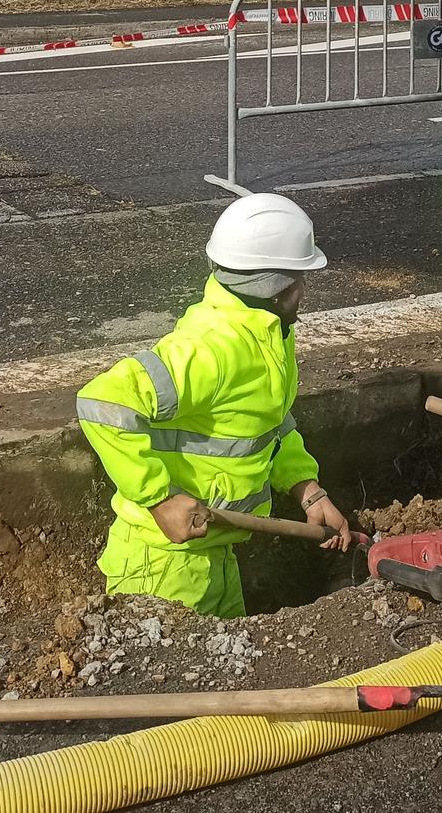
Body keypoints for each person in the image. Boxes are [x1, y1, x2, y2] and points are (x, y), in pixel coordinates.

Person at [75, 193, 354, 619]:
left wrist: (307, 489)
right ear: (278, 287)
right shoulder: (212, 348)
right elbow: (102, 402)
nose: (304, 289)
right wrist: (161, 499)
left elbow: (269, 426)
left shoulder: (270, 337)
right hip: (164, 567)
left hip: (216, 554)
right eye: (300, 278)